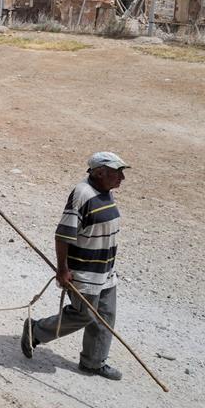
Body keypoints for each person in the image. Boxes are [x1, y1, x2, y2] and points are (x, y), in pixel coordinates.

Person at [21, 152, 129, 380]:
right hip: (85, 272)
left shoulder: (105, 192)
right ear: (100, 172)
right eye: (117, 173)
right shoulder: (82, 194)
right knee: (84, 315)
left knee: (106, 316)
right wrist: (62, 269)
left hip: (106, 270)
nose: (122, 178)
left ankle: (93, 362)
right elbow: (63, 235)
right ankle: (36, 330)